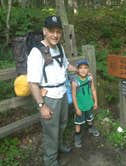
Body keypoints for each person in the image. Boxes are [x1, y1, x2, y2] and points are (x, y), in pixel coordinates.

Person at [27, 15, 77, 166]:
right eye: (51, 31)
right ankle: (50, 161)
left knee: (62, 124)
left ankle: (59, 146)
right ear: (44, 31)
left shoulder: (59, 47)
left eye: (58, 31)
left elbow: (66, 65)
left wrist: (80, 71)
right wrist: (42, 106)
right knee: (50, 132)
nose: (55, 35)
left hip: (62, 94)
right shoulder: (37, 52)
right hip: (49, 99)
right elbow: (33, 83)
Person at [71, 59, 100, 148]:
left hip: (89, 104)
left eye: (85, 68)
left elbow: (93, 90)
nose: (83, 70)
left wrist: (95, 102)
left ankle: (91, 128)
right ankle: (77, 137)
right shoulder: (75, 82)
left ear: (88, 69)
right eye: (80, 68)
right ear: (77, 70)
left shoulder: (90, 78)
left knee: (90, 118)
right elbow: (74, 96)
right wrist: (77, 108)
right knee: (78, 123)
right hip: (80, 106)